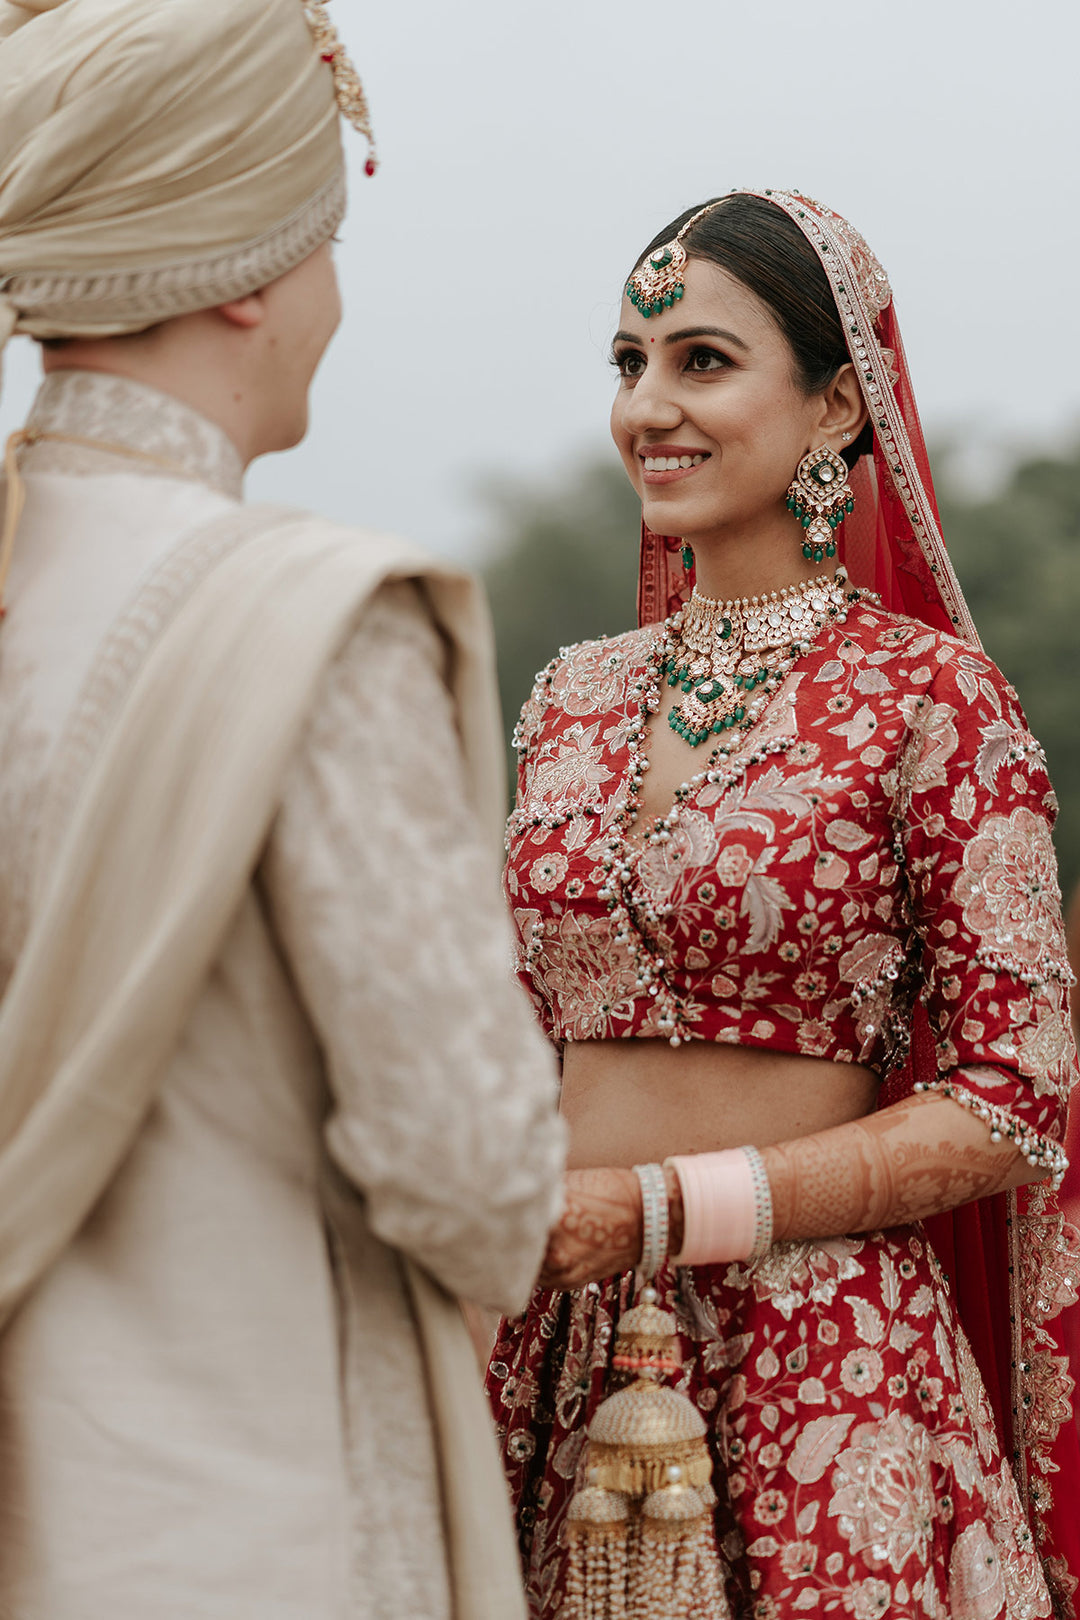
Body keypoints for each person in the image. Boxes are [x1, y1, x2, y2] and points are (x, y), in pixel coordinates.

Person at [0, 1, 565, 1616]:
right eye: (326, 232)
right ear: (250, 269)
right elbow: (471, 1170)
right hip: (252, 1520)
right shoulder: (308, 620)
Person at [486, 189, 1080, 1618]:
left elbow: (1019, 1094)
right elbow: (508, 1037)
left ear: (834, 407)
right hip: (546, 1358)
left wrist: (655, 1210)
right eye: (628, 363)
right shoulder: (570, 695)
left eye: (701, 360)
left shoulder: (930, 700)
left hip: (824, 1368)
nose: (648, 406)